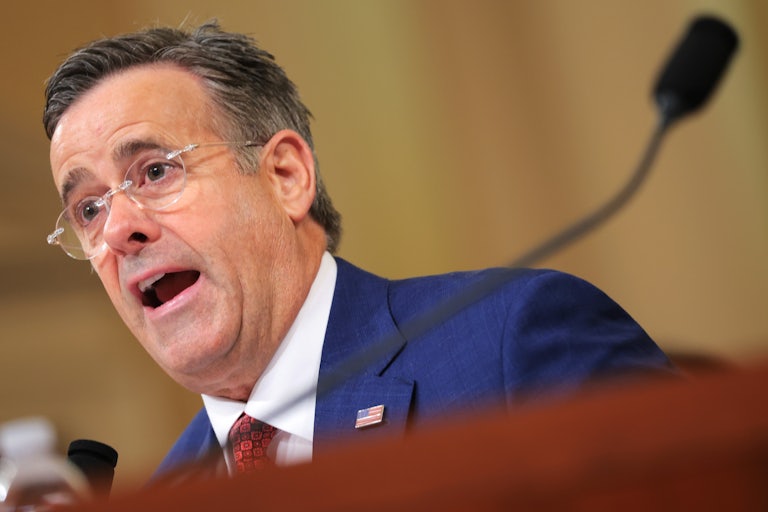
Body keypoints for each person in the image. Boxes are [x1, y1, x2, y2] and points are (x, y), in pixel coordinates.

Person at [43, 21, 674, 480]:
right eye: (89, 209)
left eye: (155, 171)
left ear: (286, 176)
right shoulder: (168, 492)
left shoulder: (511, 346)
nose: (118, 229)